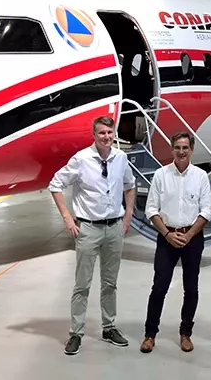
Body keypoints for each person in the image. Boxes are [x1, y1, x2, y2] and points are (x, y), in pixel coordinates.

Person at [48, 115, 136, 355]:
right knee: (82, 284)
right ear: (94, 135)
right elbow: (55, 184)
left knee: (110, 283)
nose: (106, 137)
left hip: (114, 227)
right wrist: (68, 218)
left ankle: (109, 327)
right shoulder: (81, 159)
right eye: (101, 133)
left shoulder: (121, 158)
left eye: (109, 132)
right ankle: (76, 333)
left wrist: (127, 216)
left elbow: (130, 185)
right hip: (88, 228)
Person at [140, 131, 211, 353]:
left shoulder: (200, 176)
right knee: (159, 287)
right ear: (172, 150)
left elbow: (207, 210)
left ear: (191, 150)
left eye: (185, 148)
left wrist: (189, 235)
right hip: (166, 237)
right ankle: (150, 334)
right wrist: (167, 234)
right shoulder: (161, 175)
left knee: (191, 288)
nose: (181, 151)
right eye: (177, 147)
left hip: (192, 238)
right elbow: (151, 209)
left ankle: (186, 333)